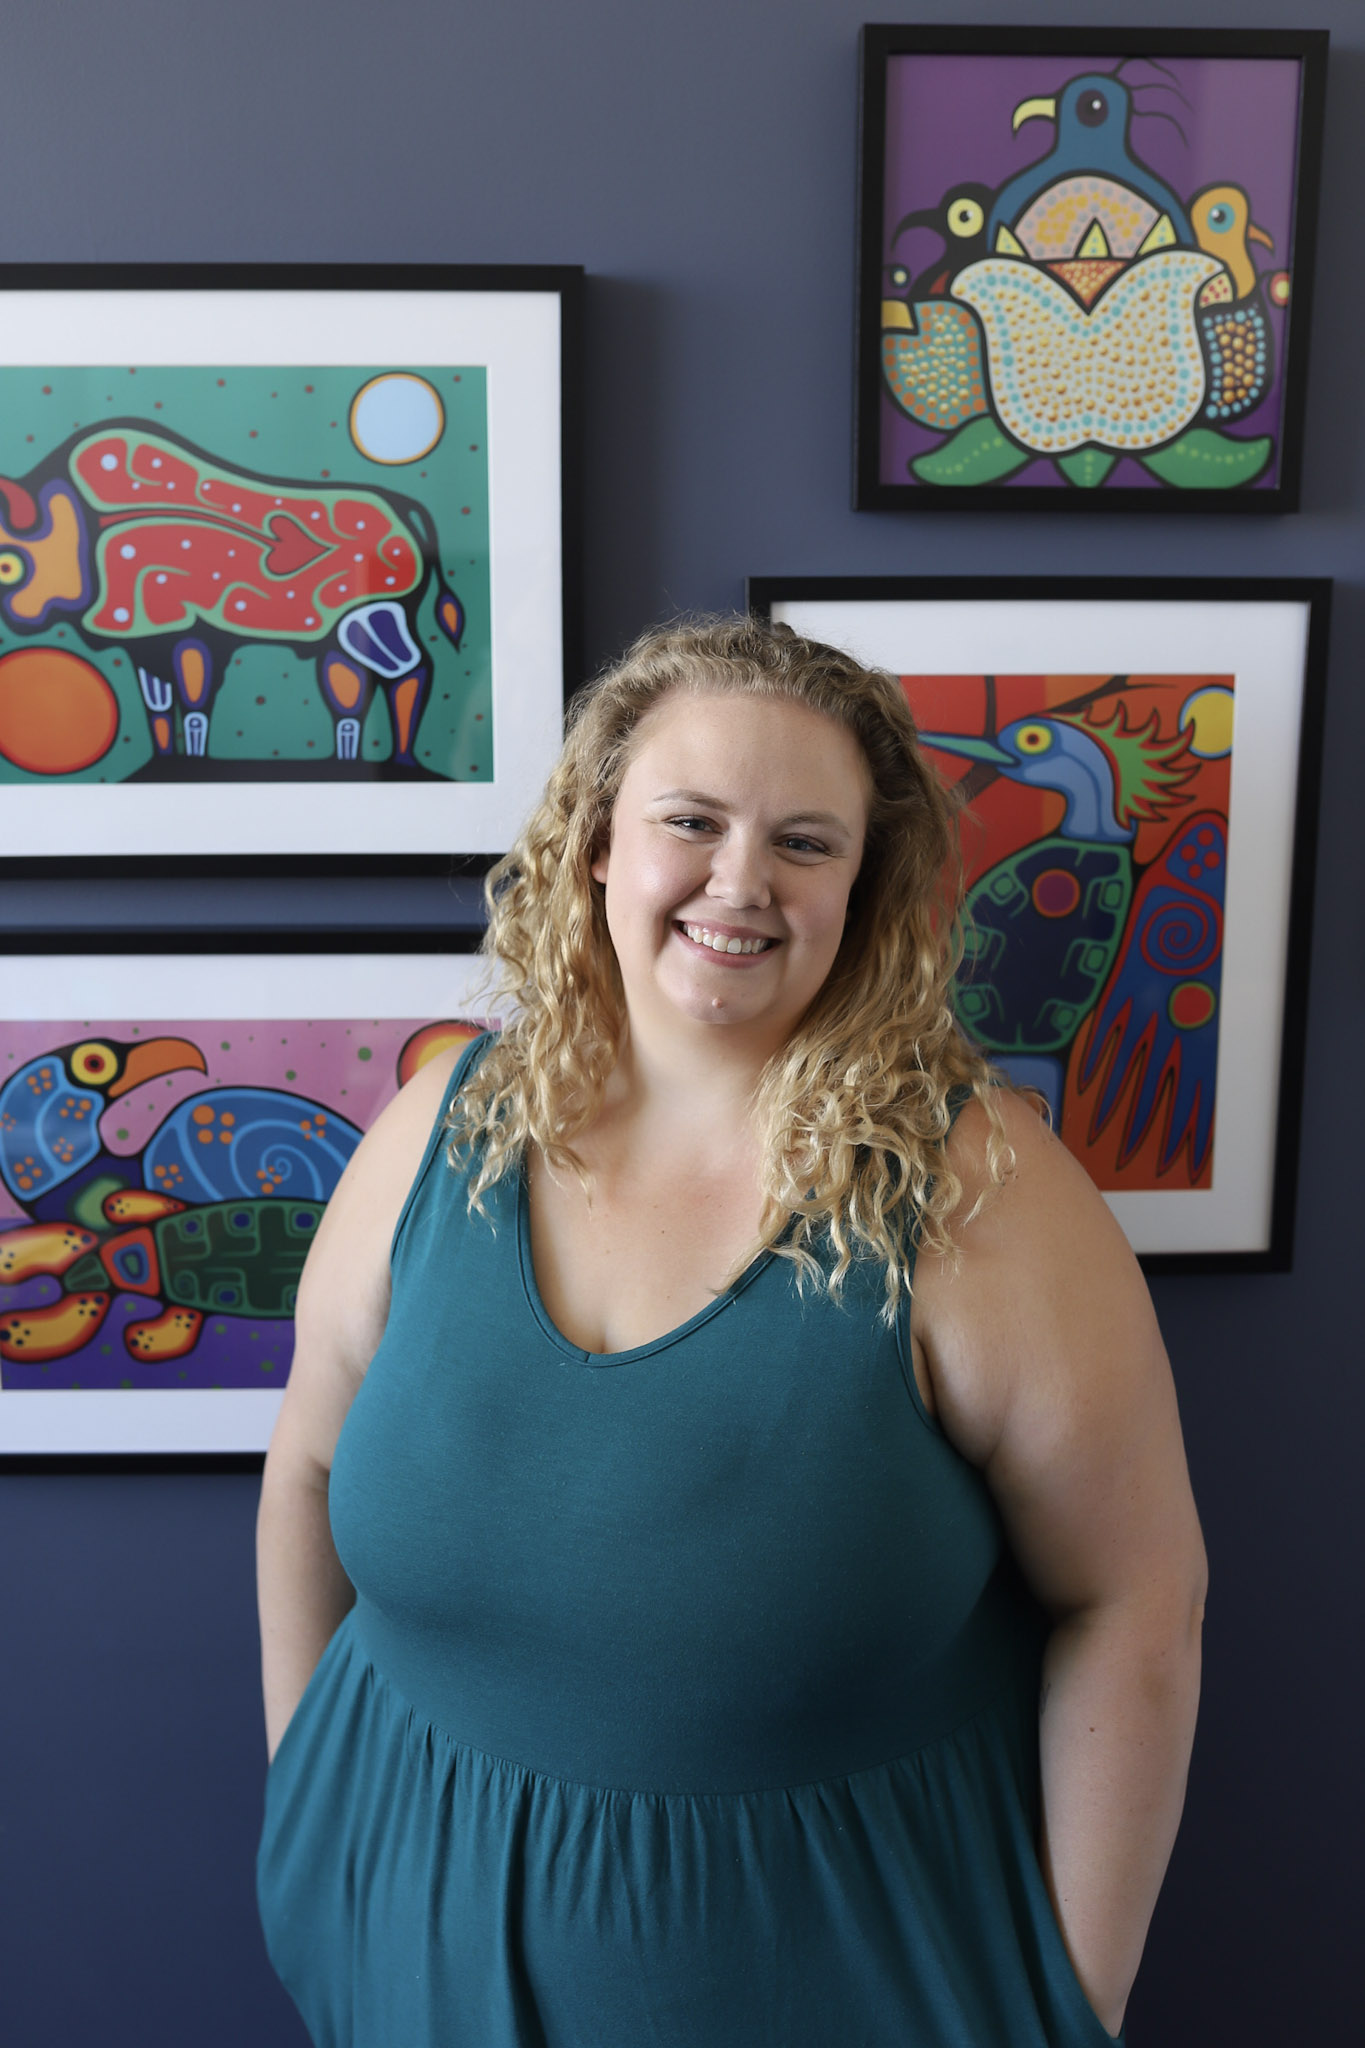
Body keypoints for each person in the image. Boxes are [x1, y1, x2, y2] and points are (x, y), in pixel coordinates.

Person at [256, 615, 1206, 2047]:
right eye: (688, 821)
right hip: (395, 1957)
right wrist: (310, 1823)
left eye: (805, 842)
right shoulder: (441, 1128)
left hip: (831, 1981)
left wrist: (1072, 2003)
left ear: (863, 888)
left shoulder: (981, 1200)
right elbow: (307, 1476)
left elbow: (1136, 1605)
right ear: (594, 844)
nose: (738, 881)